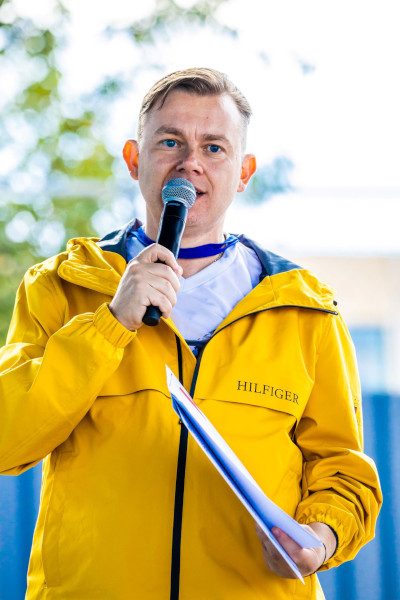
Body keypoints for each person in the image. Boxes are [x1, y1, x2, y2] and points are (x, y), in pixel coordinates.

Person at [0, 68, 381, 599]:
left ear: (244, 171)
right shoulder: (60, 286)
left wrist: (319, 536)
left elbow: (344, 469)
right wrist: (110, 324)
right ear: (135, 159)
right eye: (171, 141)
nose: (190, 163)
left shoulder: (304, 309)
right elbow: (7, 437)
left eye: (215, 147)